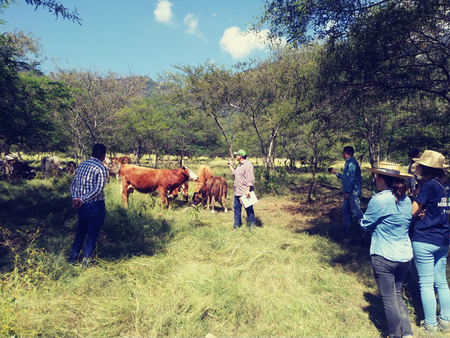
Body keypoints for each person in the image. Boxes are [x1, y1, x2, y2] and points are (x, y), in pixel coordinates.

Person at [360, 162, 414, 338]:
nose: (375, 179)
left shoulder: (379, 200)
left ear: (381, 179)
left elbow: (365, 225)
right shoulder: (407, 200)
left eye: (376, 176)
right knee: (396, 294)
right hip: (404, 255)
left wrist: (359, 217)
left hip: (384, 255)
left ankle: (394, 335)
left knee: (389, 298)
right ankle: (407, 333)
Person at [410, 150, 450, 333]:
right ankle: (446, 320)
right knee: (441, 281)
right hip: (443, 239)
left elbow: (413, 210)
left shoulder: (428, 187)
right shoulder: (446, 186)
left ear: (425, 168)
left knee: (426, 283)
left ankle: (430, 326)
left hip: (425, 238)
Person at [69, 143, 108, 266]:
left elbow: (73, 184)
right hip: (95, 205)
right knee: (92, 234)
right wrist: (83, 199)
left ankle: (73, 259)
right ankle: (86, 262)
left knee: (81, 230)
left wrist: (76, 198)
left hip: (81, 206)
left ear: (91, 153)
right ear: (103, 156)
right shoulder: (101, 168)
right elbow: (98, 189)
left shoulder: (81, 165)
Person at [330, 146, 363, 234]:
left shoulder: (352, 163)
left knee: (356, 211)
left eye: (343, 152)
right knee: (345, 209)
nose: (342, 154)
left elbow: (352, 179)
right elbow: (346, 178)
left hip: (352, 191)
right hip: (349, 191)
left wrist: (348, 192)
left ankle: (365, 230)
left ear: (346, 153)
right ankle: (349, 229)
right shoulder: (348, 163)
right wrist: (336, 173)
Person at [227, 149, 256, 230]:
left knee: (249, 209)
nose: (236, 156)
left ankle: (252, 227)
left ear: (240, 156)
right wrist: (230, 166)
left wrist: (248, 190)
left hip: (245, 191)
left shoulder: (248, 165)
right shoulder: (240, 165)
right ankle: (236, 227)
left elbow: (250, 178)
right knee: (236, 209)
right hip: (237, 191)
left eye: (237, 155)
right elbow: (235, 173)